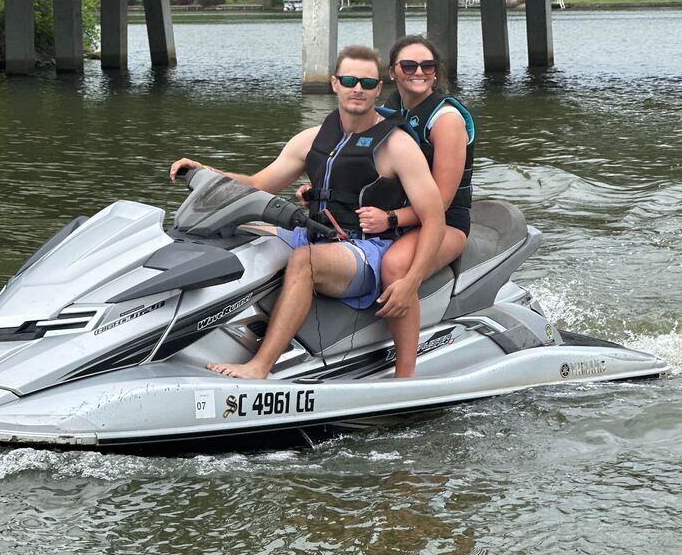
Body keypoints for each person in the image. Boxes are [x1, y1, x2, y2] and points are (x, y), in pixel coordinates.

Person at [168, 45, 445, 380]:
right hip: (314, 234)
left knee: (305, 261)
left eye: (368, 83)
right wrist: (205, 172)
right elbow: (258, 183)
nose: (358, 88)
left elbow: (434, 219)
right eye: (349, 80)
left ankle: (260, 365)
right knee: (242, 237)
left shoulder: (398, 146)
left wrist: (409, 282)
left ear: (378, 89)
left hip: (367, 251)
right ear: (335, 83)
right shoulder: (311, 140)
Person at [356, 34, 475, 377]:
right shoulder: (389, 110)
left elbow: (442, 201)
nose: (418, 72)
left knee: (394, 266)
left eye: (427, 66)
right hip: (398, 216)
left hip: (446, 223)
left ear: (436, 73)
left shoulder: (446, 119)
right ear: (393, 71)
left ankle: (404, 375)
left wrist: (390, 219)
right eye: (408, 65)